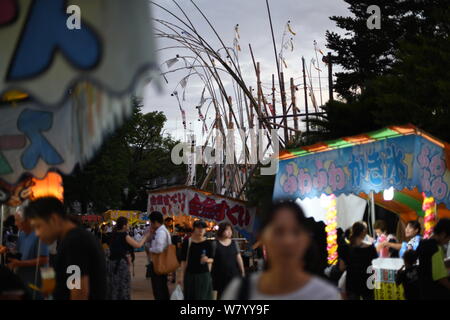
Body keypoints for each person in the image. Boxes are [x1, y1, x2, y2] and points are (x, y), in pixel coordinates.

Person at [222, 201, 340, 300]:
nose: (287, 241)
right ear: (262, 238)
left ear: (305, 241)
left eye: (295, 232)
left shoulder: (326, 295)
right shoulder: (240, 291)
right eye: (278, 232)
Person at [24, 197, 107, 300]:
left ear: (53, 219)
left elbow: (78, 291)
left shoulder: (75, 241)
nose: (37, 233)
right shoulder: (73, 238)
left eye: (38, 226)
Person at [6, 210, 49, 299]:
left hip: (36, 282)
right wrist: (7, 249)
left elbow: (44, 259)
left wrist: (20, 264)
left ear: (26, 221)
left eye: (17, 220)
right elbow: (17, 250)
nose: (15, 223)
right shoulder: (21, 234)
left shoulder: (40, 234)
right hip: (23, 279)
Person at [107, 217, 149, 300]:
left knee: (114, 285)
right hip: (121, 264)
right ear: (124, 226)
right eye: (127, 224)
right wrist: (145, 237)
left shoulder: (113, 234)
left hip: (112, 263)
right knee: (123, 285)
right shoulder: (124, 235)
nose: (128, 225)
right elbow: (138, 245)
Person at [179, 220, 215, 300]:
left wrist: (207, 260)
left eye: (203, 228)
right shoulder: (187, 242)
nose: (201, 230)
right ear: (194, 229)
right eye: (198, 228)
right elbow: (183, 261)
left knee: (203, 297)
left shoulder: (208, 243)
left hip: (204, 275)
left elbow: (212, 259)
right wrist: (181, 277)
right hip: (190, 275)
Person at [342, 221, 378, 300]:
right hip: (368, 282)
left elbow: (341, 267)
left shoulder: (345, 248)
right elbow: (375, 265)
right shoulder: (370, 248)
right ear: (363, 232)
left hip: (352, 282)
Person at [416, 218, 450, 300]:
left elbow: (429, 265)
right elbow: (440, 278)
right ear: (443, 234)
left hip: (423, 289)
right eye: (448, 238)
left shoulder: (422, 243)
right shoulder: (436, 249)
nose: (448, 241)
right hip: (434, 292)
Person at [211, 222, 245, 299]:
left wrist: (242, 271)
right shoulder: (215, 244)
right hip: (219, 276)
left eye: (231, 230)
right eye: (227, 230)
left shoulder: (234, 243)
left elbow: (238, 257)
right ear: (221, 231)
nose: (230, 232)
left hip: (233, 274)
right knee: (221, 296)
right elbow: (211, 260)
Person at [148, 211, 172, 300]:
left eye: (151, 222)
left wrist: (150, 249)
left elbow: (159, 249)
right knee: (162, 288)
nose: (150, 224)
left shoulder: (161, 232)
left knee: (159, 289)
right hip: (161, 263)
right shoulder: (161, 231)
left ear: (155, 222)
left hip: (159, 264)